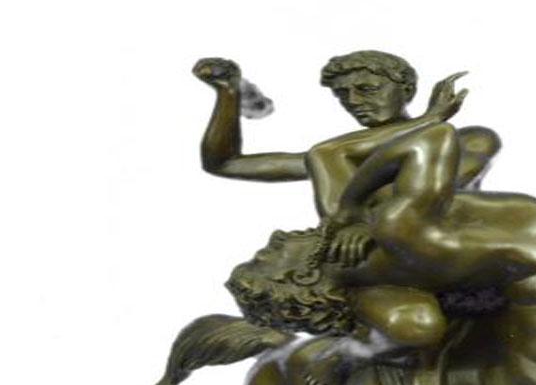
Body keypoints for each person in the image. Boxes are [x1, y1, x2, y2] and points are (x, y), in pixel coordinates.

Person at [193, 51, 500, 355]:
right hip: (367, 272)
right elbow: (224, 163)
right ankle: (347, 358)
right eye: (343, 94)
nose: (354, 100)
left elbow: (431, 195)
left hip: (448, 255)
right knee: (412, 326)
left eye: (367, 89)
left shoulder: (464, 141)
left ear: (405, 91)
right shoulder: (334, 158)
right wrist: (228, 93)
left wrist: (427, 125)